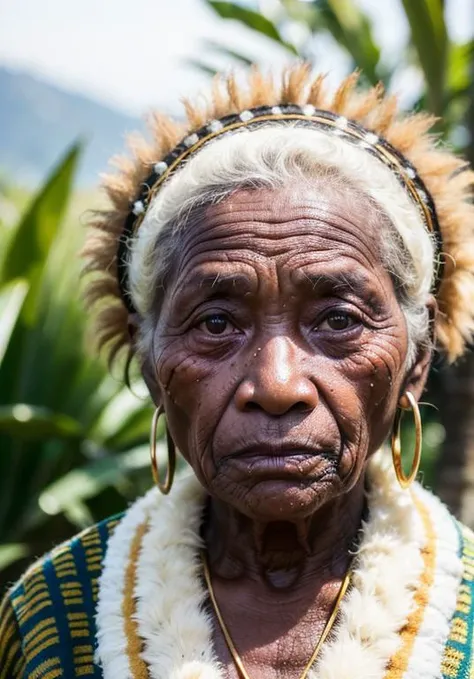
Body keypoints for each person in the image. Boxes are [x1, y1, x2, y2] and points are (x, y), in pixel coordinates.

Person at [1, 64, 474, 679]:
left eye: (337, 319)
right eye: (217, 324)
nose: (276, 385)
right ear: (149, 364)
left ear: (415, 359)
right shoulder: (50, 619)